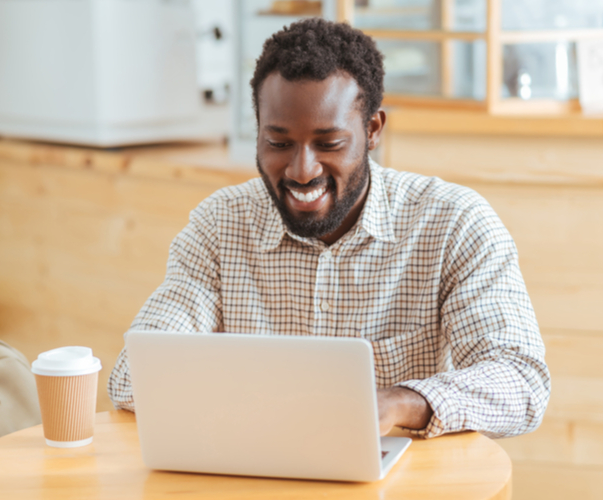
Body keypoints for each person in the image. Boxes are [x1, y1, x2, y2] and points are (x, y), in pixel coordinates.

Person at [108, 18, 550, 438]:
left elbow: (522, 380)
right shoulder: (219, 225)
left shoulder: (454, 222)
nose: (301, 171)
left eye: (329, 144)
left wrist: (398, 402)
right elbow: (132, 377)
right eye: (278, 143)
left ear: (373, 130)